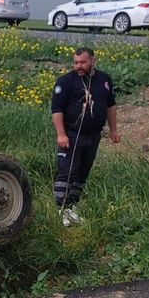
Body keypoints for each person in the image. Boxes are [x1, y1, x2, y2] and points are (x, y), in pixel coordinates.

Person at [51, 47, 120, 226]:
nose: (79, 66)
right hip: (71, 136)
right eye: (76, 62)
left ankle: (72, 208)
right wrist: (61, 134)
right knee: (67, 173)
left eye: (83, 62)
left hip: (93, 136)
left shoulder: (104, 80)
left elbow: (110, 106)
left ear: (93, 61)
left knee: (82, 174)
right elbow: (56, 110)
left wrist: (113, 130)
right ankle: (61, 211)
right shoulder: (66, 81)